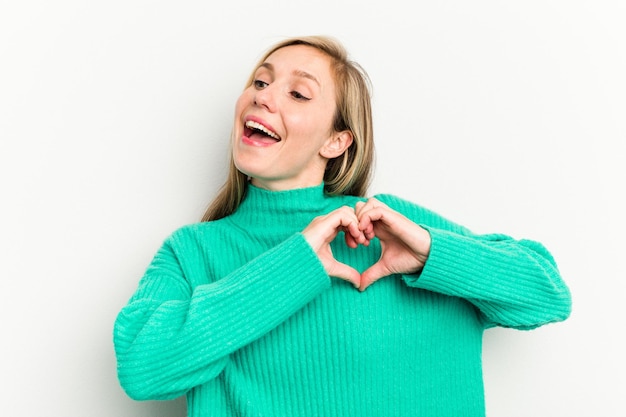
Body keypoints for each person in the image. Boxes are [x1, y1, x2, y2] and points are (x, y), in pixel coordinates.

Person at [113, 35, 572, 417]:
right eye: (260, 81)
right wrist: (294, 266)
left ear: (336, 141)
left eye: (297, 93)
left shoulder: (385, 228)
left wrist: (434, 254)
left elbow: (547, 292)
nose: (262, 96)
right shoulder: (195, 251)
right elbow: (142, 368)